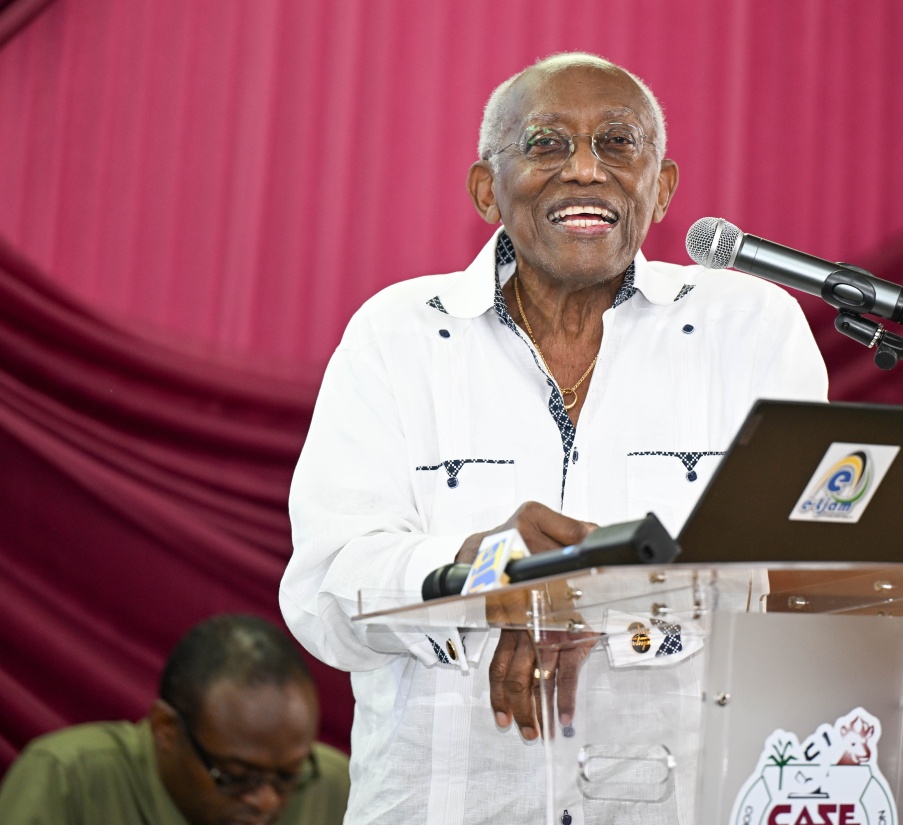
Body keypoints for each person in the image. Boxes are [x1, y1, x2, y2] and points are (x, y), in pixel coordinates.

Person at [280, 52, 828, 823]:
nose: (583, 170)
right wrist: (480, 575)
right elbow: (324, 594)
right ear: (485, 189)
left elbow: (795, 574)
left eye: (617, 143)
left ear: (661, 186)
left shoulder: (751, 329)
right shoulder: (396, 335)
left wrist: (594, 600)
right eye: (544, 145)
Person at [0, 614, 350, 825]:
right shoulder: (68, 778)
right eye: (236, 776)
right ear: (166, 730)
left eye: (288, 777)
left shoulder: (335, 784)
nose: (267, 801)